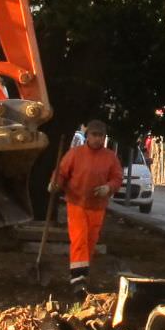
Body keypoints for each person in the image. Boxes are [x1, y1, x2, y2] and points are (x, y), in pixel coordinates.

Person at [50, 118, 121, 291]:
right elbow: (61, 173)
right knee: (79, 239)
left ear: (105, 137)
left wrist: (108, 187)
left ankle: (82, 274)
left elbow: (117, 178)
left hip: (97, 206)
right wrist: (55, 183)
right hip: (76, 202)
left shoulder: (110, 158)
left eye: (100, 136)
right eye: (94, 135)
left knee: (90, 242)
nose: (97, 139)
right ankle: (77, 280)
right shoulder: (75, 154)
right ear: (87, 135)